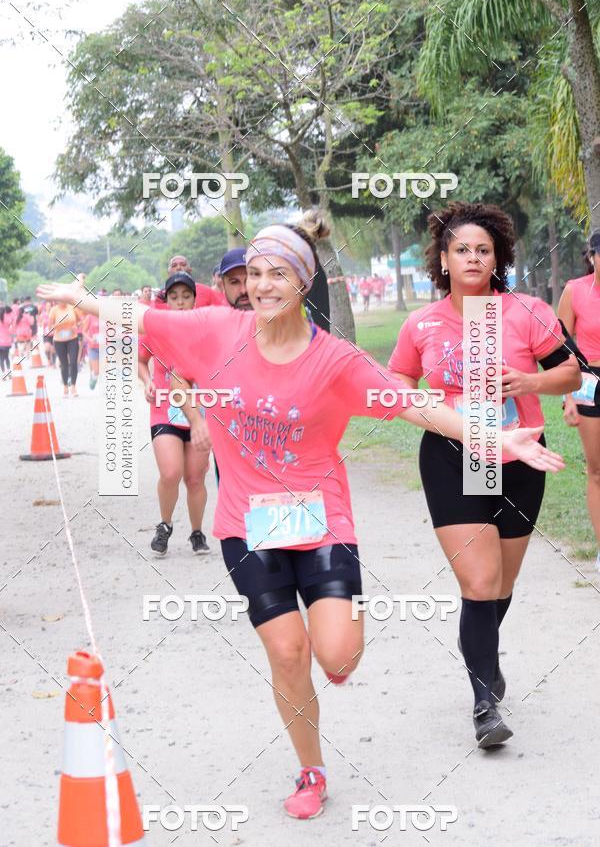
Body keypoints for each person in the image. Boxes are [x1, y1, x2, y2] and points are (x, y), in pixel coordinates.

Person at [37, 210, 564, 819]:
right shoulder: (213, 330)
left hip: (322, 523)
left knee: (337, 658)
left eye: (278, 274)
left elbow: (412, 403)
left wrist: (494, 438)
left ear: (303, 282)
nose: (263, 285)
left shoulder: (334, 360)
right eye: (255, 273)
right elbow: (137, 316)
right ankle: (311, 769)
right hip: (246, 526)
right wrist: (81, 298)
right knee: (288, 653)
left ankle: (336, 640)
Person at [388, 201, 580, 747]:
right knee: (478, 582)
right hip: (453, 456)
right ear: (443, 259)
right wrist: (424, 406)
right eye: (461, 249)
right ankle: (484, 704)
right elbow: (398, 382)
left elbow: (571, 372)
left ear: (498, 259)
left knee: (500, 585)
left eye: (484, 250)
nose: (473, 257)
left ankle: (481, 649)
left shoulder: (525, 311)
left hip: (520, 458)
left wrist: (530, 382)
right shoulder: (421, 323)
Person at [138, 272, 211, 555]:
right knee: (170, 473)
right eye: (174, 297)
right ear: (166, 301)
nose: (180, 302)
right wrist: (147, 381)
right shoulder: (156, 331)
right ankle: (165, 525)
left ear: (194, 300)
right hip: (164, 412)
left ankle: (197, 533)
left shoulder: (208, 331)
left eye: (186, 296)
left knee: (195, 478)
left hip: (199, 414)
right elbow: (141, 361)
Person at [557, 228, 600, 571]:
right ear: (592, 257)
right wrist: (567, 396)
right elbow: (559, 348)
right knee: (597, 470)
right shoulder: (575, 290)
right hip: (590, 382)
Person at [48, 300, 83, 397]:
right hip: (59, 340)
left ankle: (73, 386)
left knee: (73, 362)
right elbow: (50, 327)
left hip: (72, 338)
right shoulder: (54, 310)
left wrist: (76, 326)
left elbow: (80, 321)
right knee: (64, 364)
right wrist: (59, 325)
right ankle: (65, 386)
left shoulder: (72, 308)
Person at [0, 305, 12, 374]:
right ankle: (8, 371)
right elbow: (10, 324)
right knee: (6, 357)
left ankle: (3, 373)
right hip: (7, 341)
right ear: (4, 311)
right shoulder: (7, 319)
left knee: (1, 358)